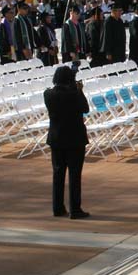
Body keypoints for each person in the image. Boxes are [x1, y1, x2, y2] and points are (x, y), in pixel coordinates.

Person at [42, 65, 89, 220]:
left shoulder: (48, 94)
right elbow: (85, 108)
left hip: (56, 138)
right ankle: (75, 209)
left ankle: (58, 207)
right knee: (75, 175)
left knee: (58, 173)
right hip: (75, 138)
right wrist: (79, 90)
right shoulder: (74, 94)